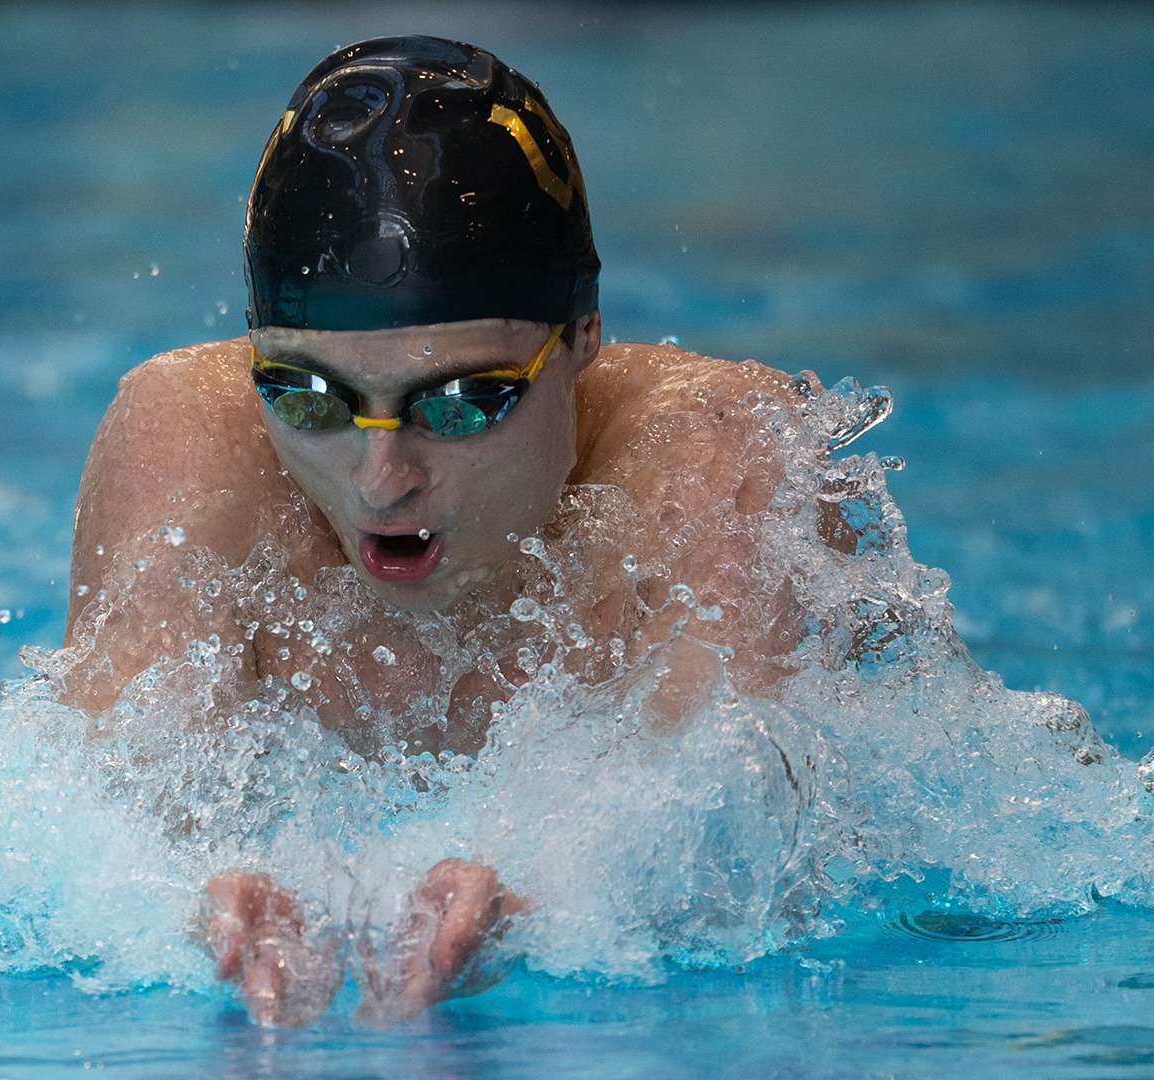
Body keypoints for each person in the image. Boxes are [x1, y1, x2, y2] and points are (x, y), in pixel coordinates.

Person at [58, 35, 813, 1025]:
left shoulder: (716, 457)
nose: (383, 479)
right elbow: (97, 806)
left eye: (460, 402)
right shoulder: (188, 439)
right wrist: (192, 900)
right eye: (312, 399)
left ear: (584, 338)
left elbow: (743, 835)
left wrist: (546, 904)